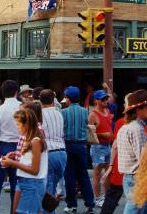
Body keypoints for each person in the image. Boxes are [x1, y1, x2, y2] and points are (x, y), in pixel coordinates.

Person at [1, 108, 47, 214]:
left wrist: (12, 163)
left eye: (18, 124)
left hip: (32, 183)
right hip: (25, 182)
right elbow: (29, 161)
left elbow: (35, 170)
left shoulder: (35, 141)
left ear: (26, 125)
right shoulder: (29, 139)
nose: (17, 128)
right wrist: (14, 157)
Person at [114, 89, 147, 214]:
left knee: (144, 209)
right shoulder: (137, 129)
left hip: (130, 176)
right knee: (133, 210)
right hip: (136, 176)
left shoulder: (126, 127)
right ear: (137, 110)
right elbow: (144, 158)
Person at [0, 79, 22, 214]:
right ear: (16, 92)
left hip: (3, 147)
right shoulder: (23, 108)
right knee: (16, 187)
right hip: (19, 147)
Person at [61, 85, 95, 213]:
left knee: (69, 175)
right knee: (83, 175)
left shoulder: (63, 112)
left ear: (68, 98)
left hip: (68, 145)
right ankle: (89, 204)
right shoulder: (84, 111)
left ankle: (71, 205)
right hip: (81, 146)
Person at [39, 89, 66, 214]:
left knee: (48, 191)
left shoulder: (40, 114)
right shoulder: (59, 113)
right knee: (53, 189)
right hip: (62, 152)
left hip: (48, 153)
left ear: (40, 100)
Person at [88, 89, 114, 206]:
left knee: (108, 171)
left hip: (107, 145)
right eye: (103, 99)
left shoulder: (107, 111)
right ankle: (98, 198)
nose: (106, 101)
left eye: (106, 99)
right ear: (97, 101)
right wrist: (102, 134)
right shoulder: (93, 115)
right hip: (98, 146)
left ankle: (107, 197)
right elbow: (89, 135)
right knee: (97, 173)